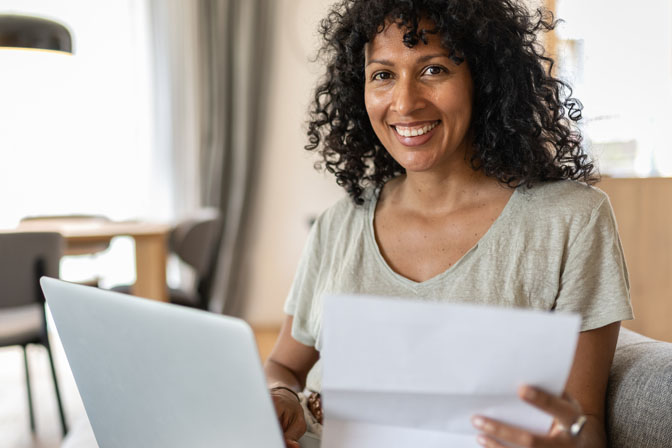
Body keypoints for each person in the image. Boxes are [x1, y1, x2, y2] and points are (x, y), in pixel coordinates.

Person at [264, 1, 633, 447]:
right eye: (382, 75)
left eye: (433, 70)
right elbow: (284, 366)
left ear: (484, 77)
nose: (404, 102)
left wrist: (566, 441)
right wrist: (280, 395)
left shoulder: (571, 220)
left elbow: (586, 423)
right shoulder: (339, 224)